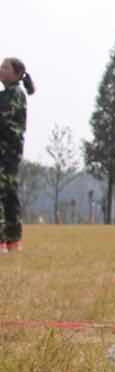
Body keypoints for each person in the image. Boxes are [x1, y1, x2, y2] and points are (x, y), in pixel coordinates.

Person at [0, 57, 34, 254]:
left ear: (16, 74)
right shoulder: (8, 94)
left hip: (6, 152)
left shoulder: (14, 94)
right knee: (9, 195)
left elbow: (4, 120)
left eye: (5, 67)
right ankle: (12, 241)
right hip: (8, 153)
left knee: (5, 195)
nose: (1, 69)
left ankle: (4, 240)